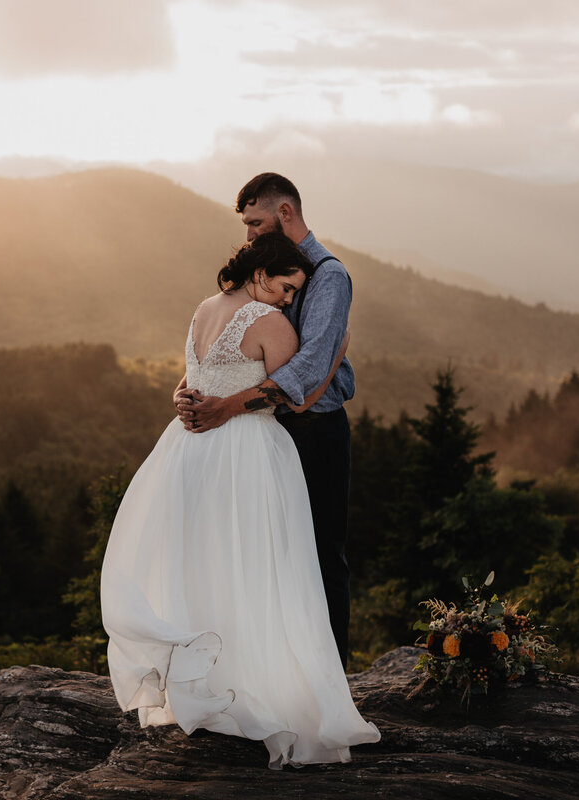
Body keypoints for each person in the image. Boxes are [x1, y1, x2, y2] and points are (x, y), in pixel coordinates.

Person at [100, 232, 379, 770]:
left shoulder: (204, 309)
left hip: (192, 454)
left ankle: (218, 692)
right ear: (260, 274)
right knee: (264, 570)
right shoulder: (267, 322)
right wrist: (337, 349)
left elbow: (191, 379)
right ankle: (264, 694)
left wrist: (183, 397)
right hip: (246, 456)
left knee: (210, 568)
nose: (289, 300)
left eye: (296, 292)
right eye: (286, 287)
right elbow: (301, 396)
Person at [175, 173, 355, 667]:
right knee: (271, 555)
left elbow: (308, 373)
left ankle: (330, 674)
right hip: (266, 433)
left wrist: (223, 406)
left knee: (320, 555)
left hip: (314, 430)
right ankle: (277, 667)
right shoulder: (267, 276)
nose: (249, 234)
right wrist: (191, 390)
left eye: (256, 222)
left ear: (285, 214)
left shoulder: (328, 276)